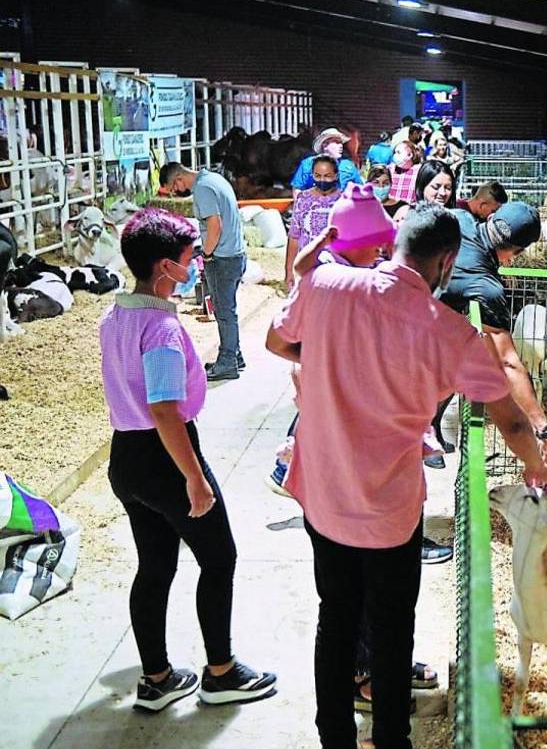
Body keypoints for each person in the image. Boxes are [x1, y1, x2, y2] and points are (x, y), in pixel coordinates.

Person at [266, 203, 547, 749]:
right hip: (388, 511)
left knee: (336, 620)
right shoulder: (450, 332)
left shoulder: (325, 283)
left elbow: (277, 342)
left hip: (323, 496)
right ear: (447, 262)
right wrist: (534, 467)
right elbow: (508, 416)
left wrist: (329, 361)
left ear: (396, 243)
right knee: (392, 633)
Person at [101, 208, 276, 713]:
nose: (194, 266)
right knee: (219, 558)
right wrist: (195, 478)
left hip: (125, 457)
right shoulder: (159, 329)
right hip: (164, 458)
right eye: (187, 259)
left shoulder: (114, 317)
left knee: (154, 566)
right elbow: (163, 408)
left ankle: (156, 678)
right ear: (164, 268)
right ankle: (221, 673)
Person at [439, 201, 547, 468]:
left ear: (491, 217)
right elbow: (508, 363)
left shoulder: (457, 218)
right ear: (515, 253)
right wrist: (543, 428)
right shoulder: (486, 288)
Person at [159, 162, 247, 382]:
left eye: (173, 188)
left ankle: (227, 362)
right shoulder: (214, 179)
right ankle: (235, 355)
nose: (176, 192)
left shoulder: (203, 189)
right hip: (236, 254)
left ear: (179, 178)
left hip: (223, 258)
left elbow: (215, 226)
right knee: (228, 310)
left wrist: (206, 254)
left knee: (224, 312)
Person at [284, 155, 343, 290]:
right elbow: (294, 236)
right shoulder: (303, 199)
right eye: (317, 175)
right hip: (307, 267)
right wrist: (289, 271)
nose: (322, 180)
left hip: (337, 269)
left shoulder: (344, 200)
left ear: (336, 175)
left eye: (327, 176)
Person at [291, 127, 361, 197]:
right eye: (336, 142)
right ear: (325, 145)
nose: (341, 146)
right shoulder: (307, 164)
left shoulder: (348, 165)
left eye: (341, 143)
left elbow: (360, 188)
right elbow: (297, 188)